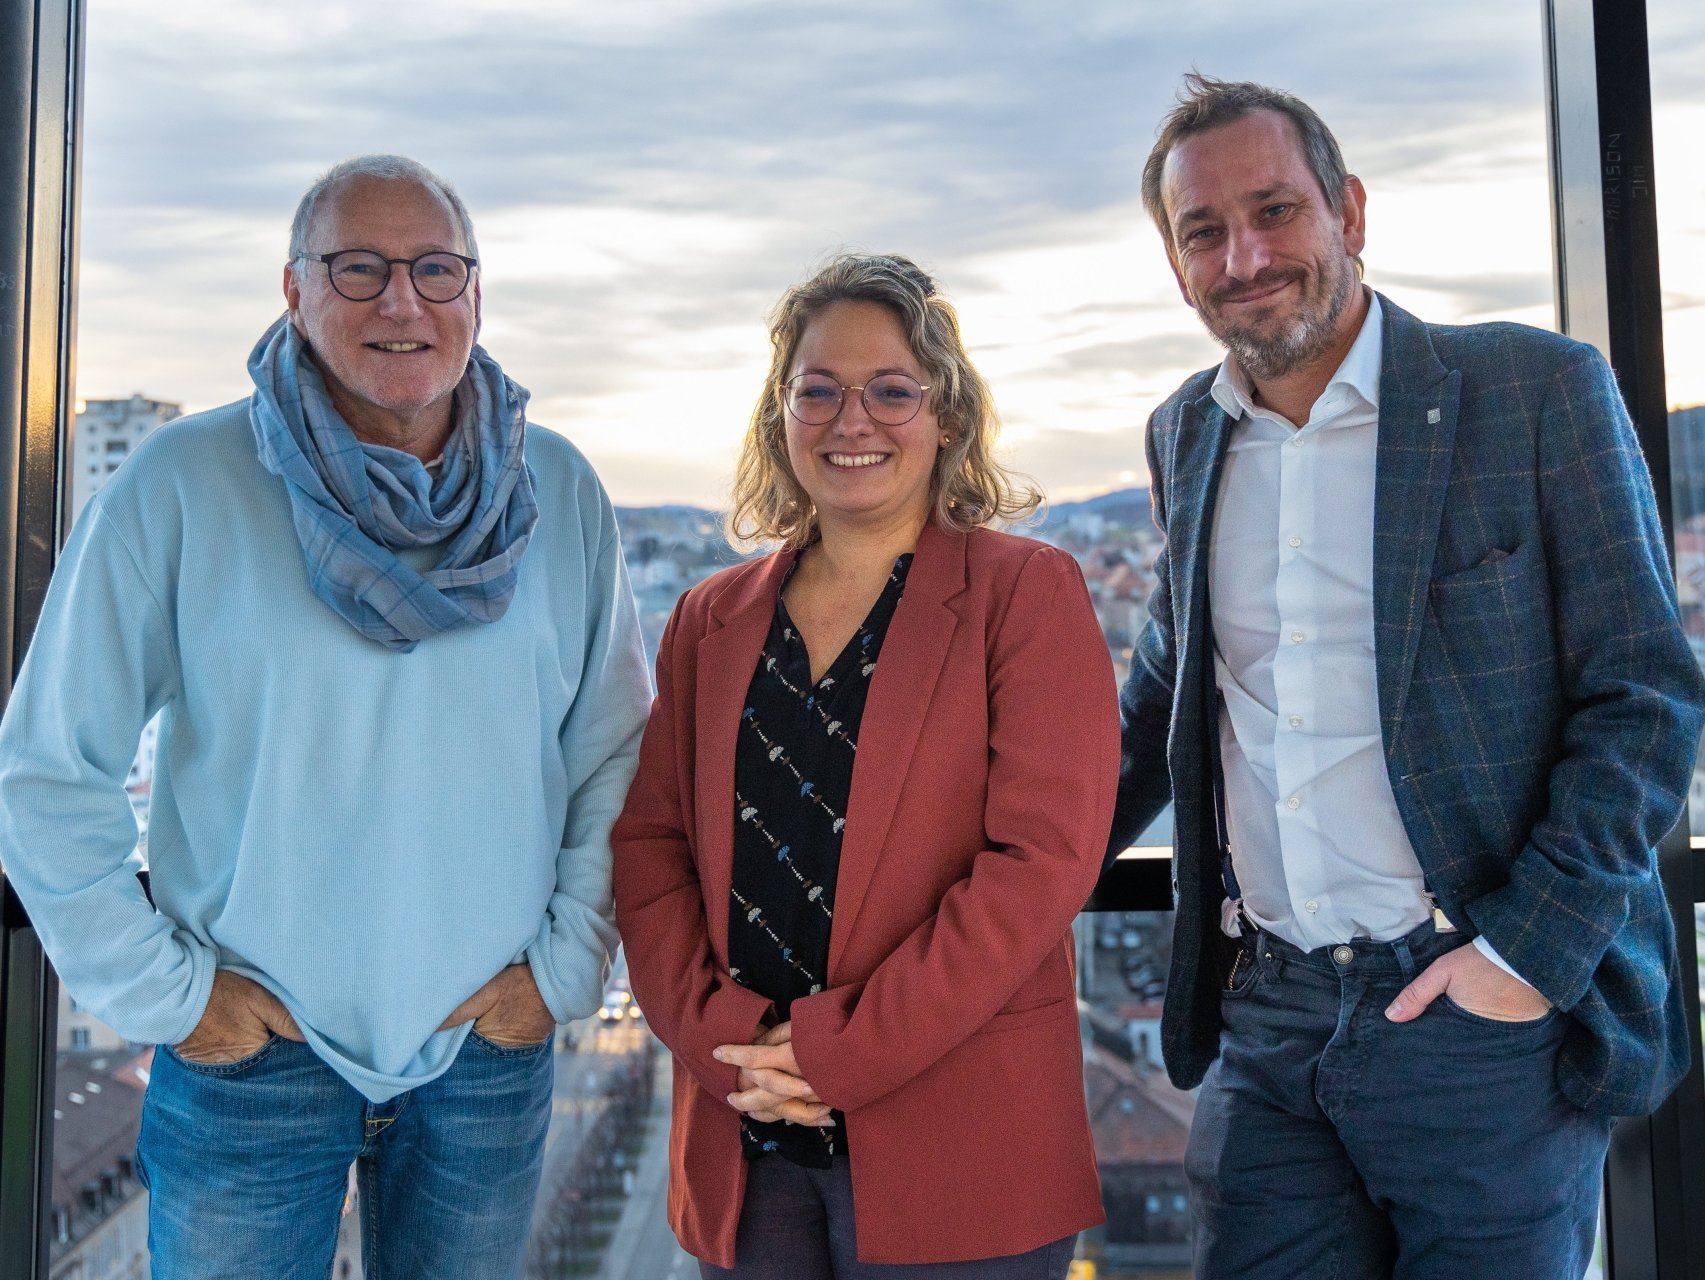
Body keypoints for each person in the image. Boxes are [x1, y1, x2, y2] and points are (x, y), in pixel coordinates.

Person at [0, 155, 651, 1277]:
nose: (402, 301)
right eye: (360, 268)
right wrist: (174, 997)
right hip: (251, 1062)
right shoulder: (179, 483)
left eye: (435, 268)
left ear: (476, 294)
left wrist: (562, 969)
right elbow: (49, 771)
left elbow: (616, 756)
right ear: (293, 291)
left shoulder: (559, 490)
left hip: (485, 1052)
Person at [1105, 74, 1705, 1278]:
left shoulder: (1531, 392)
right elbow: (1160, 706)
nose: (1245, 255)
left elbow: (1644, 697)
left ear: (1350, 211)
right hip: (1267, 1020)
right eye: (1203, 232)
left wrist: (1520, 959)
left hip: (1475, 1018)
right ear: (1176, 266)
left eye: (1274, 210)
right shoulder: (1186, 432)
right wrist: (960, 890)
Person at [611, 253, 1118, 1278]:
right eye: (819, 390)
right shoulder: (710, 617)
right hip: (746, 1136)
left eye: (891, 389)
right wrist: (727, 1039)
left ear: (947, 418)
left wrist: (839, 1051)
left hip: (963, 1146)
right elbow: (651, 846)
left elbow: (1039, 864)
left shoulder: (1025, 591)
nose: (854, 420)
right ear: (779, 416)